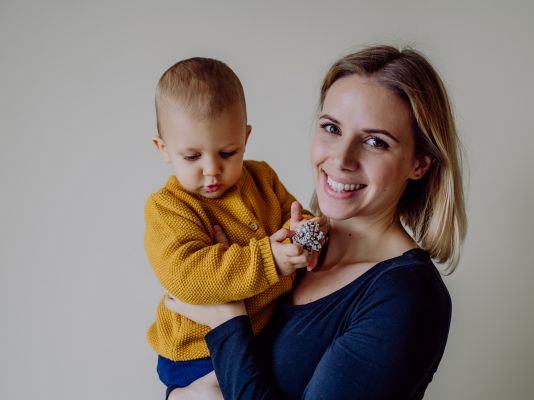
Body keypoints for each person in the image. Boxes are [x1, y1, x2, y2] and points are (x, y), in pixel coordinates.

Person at [163, 45, 467, 400]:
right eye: (331, 128)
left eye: (374, 141)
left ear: (420, 164)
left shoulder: (409, 297)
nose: (340, 159)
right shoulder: (284, 243)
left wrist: (228, 321)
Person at [145, 57, 325, 398]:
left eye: (227, 152)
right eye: (192, 157)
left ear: (245, 137)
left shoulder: (262, 177)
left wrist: (302, 234)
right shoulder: (168, 208)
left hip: (258, 338)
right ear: (164, 149)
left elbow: (291, 218)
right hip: (197, 352)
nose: (212, 170)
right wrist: (270, 258)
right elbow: (187, 276)